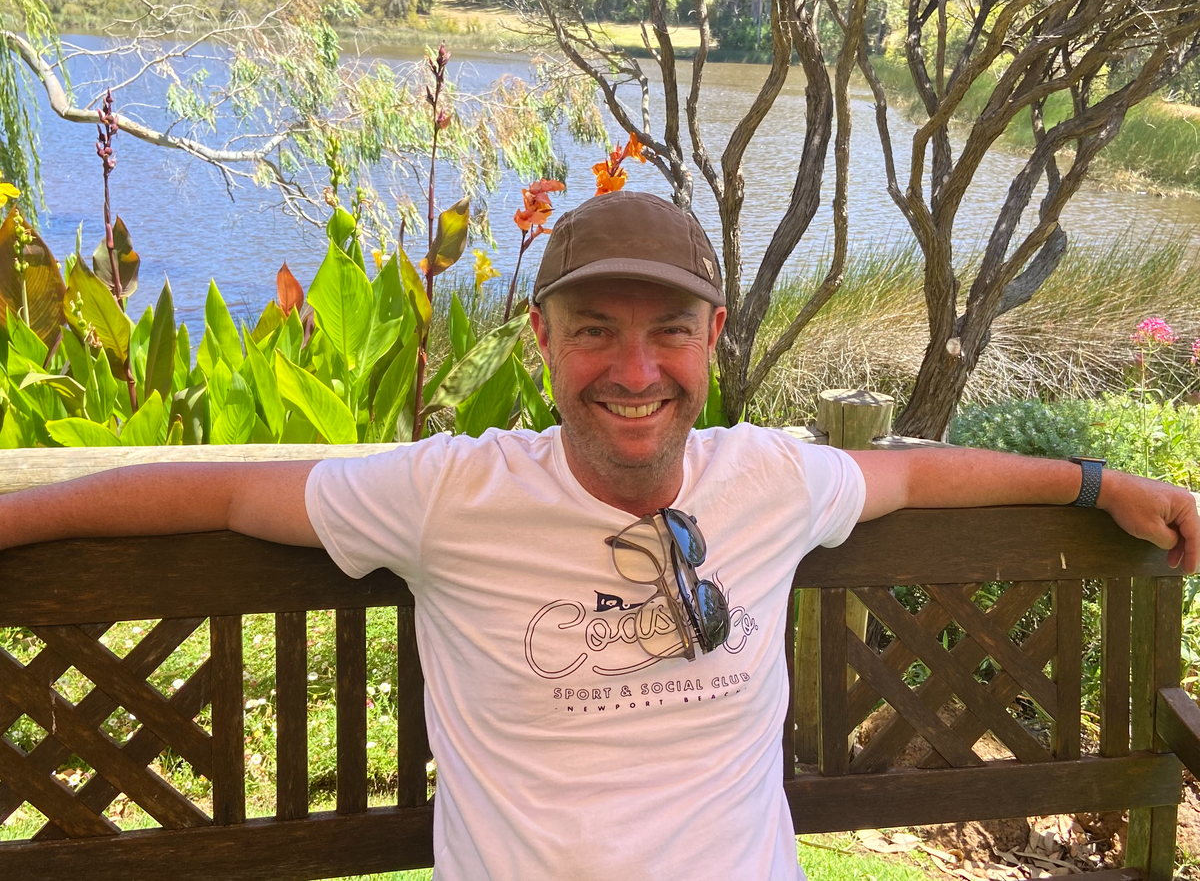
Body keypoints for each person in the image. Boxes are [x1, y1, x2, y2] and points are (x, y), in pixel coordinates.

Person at [1, 190, 1196, 881]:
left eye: (669, 330)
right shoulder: (449, 495)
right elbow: (216, 495)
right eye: (593, 332)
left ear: (713, 338)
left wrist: (1097, 482)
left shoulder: (770, 479)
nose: (634, 371)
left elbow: (915, 475)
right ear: (542, 341)